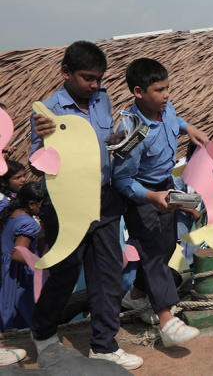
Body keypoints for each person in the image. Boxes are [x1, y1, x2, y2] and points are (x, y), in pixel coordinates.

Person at [29, 40, 143, 369]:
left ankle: (104, 345)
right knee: (65, 274)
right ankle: (43, 332)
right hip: (67, 203)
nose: (94, 85)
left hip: (105, 198)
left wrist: (116, 139)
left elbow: (100, 139)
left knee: (107, 273)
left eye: (98, 78)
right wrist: (44, 140)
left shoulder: (102, 98)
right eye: (87, 78)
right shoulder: (46, 111)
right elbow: (37, 164)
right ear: (66, 72)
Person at [112, 57, 205, 347]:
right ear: (138, 92)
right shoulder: (132, 131)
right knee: (152, 250)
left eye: (167, 88)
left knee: (166, 246)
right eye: (159, 90)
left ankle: (136, 296)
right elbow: (123, 180)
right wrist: (150, 197)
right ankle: (167, 320)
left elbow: (174, 121)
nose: (167, 95)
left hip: (165, 187)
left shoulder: (166, 108)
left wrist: (187, 127)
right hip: (140, 195)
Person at [0, 181, 44, 331]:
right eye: (41, 205)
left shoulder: (12, 214)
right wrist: (42, 264)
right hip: (19, 276)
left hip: (6, 272)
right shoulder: (29, 223)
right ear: (32, 204)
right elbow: (18, 253)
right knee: (22, 314)